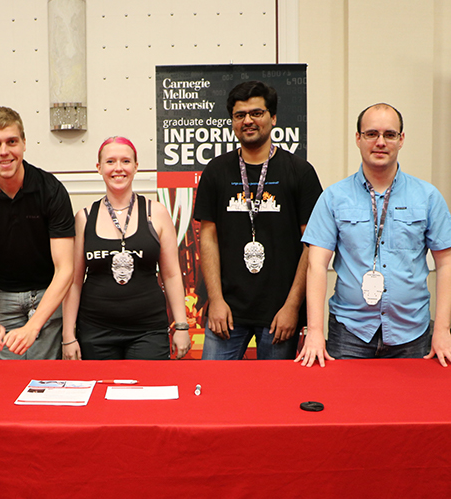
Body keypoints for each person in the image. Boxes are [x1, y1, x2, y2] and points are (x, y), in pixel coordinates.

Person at [297, 103, 451, 368]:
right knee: (346, 407)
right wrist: (314, 331)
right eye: (371, 134)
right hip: (349, 333)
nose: (380, 142)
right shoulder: (333, 198)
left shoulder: (427, 197)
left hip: (412, 334)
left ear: (401, 140)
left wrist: (443, 330)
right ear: (358, 138)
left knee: (411, 409)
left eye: (389, 134)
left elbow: (446, 264)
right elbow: (316, 265)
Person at [193, 81, 323, 359]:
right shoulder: (216, 171)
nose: (248, 121)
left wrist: (292, 307)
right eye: (240, 115)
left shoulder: (300, 172)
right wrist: (215, 300)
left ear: (273, 118)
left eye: (257, 113)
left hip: (279, 315)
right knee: (214, 392)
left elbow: (311, 245)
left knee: (274, 397)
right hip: (226, 312)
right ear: (232, 122)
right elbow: (208, 237)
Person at [0, 106, 75, 359]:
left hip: (48, 296)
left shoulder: (51, 190)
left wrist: (34, 326)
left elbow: (66, 268)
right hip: (3, 298)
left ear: (24, 143)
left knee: (44, 382)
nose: (4, 152)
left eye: (12, 141)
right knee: (8, 384)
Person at [62, 137, 191, 360]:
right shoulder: (84, 218)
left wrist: (181, 326)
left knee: (146, 393)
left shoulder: (156, 213)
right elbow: (73, 282)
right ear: (99, 168)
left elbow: (171, 275)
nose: (118, 168)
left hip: (148, 330)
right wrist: (68, 335)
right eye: (110, 161)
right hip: (95, 331)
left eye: (126, 161)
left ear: (136, 167)